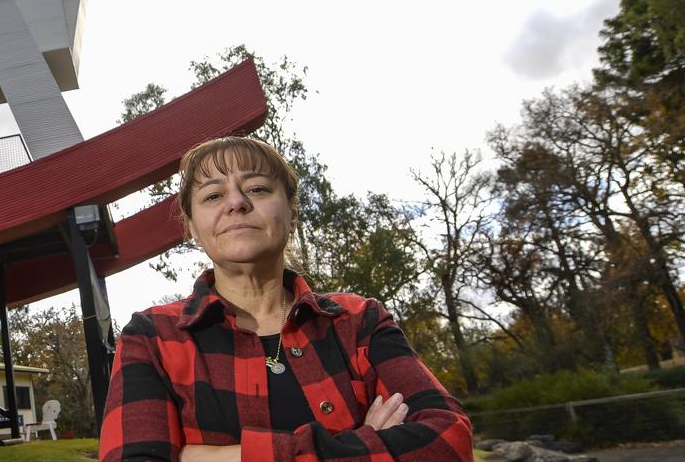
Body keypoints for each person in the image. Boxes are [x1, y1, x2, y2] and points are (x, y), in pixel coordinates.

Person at [99, 137, 473, 461]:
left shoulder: (359, 321)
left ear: (291, 211)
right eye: (213, 195)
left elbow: (448, 443)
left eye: (258, 189)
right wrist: (362, 442)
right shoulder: (152, 338)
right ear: (192, 226)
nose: (236, 203)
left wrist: (238, 456)